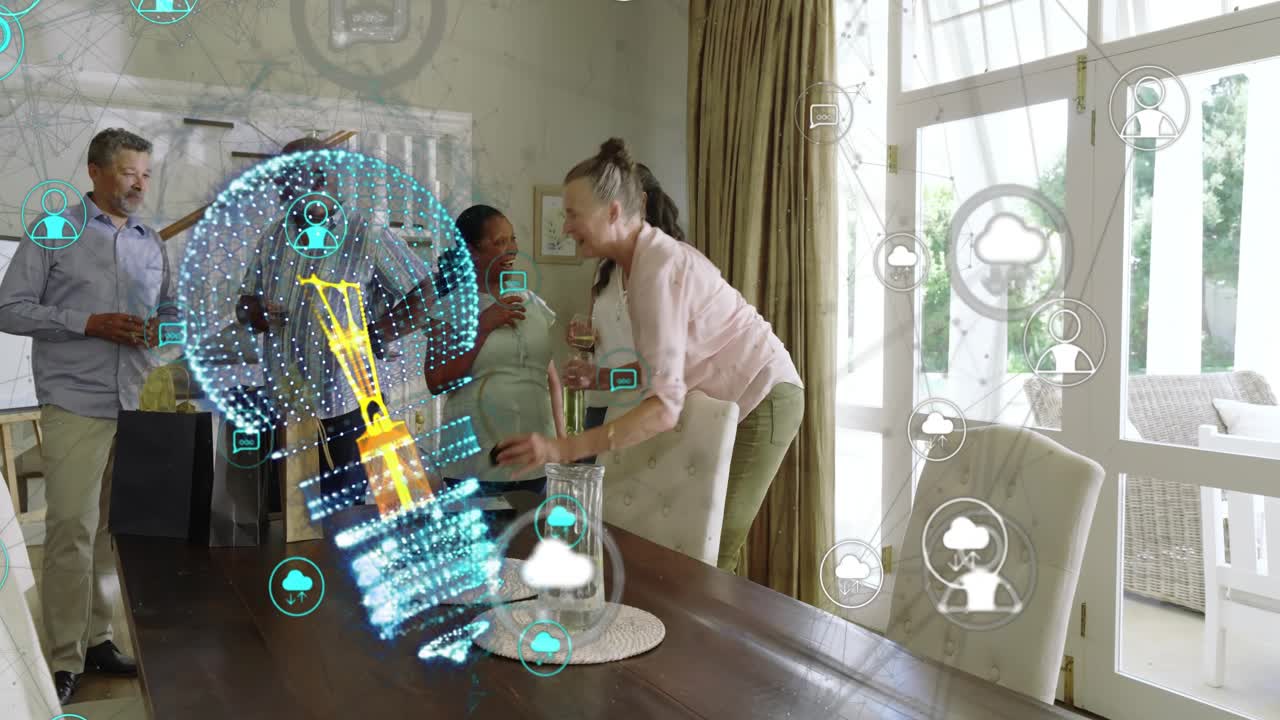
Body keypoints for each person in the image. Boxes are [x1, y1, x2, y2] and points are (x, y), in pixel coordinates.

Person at [497, 138, 805, 572]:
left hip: (764, 395)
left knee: (715, 551)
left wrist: (562, 448)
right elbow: (656, 371)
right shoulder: (634, 266)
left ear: (613, 213)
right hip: (723, 393)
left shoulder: (657, 269)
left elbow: (663, 408)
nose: (565, 227)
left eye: (572, 215)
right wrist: (602, 380)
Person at [0, 128, 175, 704]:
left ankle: (100, 638)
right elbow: (9, 307)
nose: (139, 184)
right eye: (129, 173)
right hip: (76, 401)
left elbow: (173, 317)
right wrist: (87, 322)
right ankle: (63, 657)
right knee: (70, 528)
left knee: (111, 532)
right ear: (96, 171)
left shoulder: (152, 241)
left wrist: (161, 334)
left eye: (146, 174)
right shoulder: (55, 230)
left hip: (137, 401)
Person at [235, 136, 440, 514]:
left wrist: (380, 332)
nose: (292, 192)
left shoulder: (366, 233)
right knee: (286, 523)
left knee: (344, 523)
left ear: (327, 181)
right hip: (286, 410)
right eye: (285, 184)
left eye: (302, 181)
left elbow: (424, 292)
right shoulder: (275, 237)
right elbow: (244, 303)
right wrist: (255, 311)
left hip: (348, 412)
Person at [428, 205, 566, 496]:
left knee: (533, 542)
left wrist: (562, 446)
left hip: (535, 465)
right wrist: (483, 325)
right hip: (473, 468)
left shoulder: (533, 303)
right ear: (472, 252)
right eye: (500, 242)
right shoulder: (449, 308)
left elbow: (550, 379)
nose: (512, 249)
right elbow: (437, 381)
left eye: (512, 239)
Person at [570, 163, 686, 434]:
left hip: (644, 407)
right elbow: (594, 340)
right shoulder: (604, 268)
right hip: (600, 405)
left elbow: (664, 364)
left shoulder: (671, 266)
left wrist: (604, 379)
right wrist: (582, 339)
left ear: (641, 203)